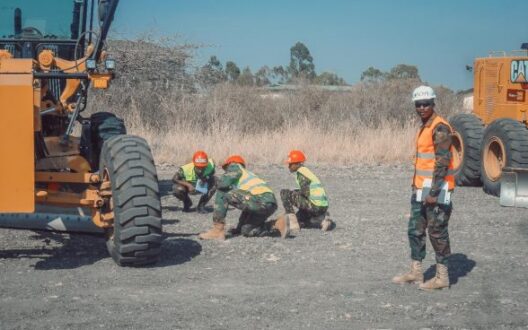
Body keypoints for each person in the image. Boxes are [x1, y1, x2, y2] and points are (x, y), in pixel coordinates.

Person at [392, 86, 455, 290]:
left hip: (435, 191)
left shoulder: (440, 127)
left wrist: (434, 193)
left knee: (437, 232)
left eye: (426, 103)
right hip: (420, 189)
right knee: (415, 231)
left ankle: (442, 277)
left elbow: (442, 163)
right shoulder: (425, 126)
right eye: (418, 104)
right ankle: (416, 272)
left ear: (433, 103)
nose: (422, 107)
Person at [198, 155, 291, 240]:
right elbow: (245, 203)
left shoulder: (235, 166)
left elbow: (223, 184)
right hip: (269, 203)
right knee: (246, 230)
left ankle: (217, 230)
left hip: (260, 200)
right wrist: (239, 228)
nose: (226, 171)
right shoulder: (248, 174)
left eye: (226, 168)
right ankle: (276, 224)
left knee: (223, 192)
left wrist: (211, 181)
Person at [280, 150, 334, 231]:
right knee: (300, 220)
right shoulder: (306, 171)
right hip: (322, 207)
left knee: (285, 193)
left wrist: (293, 193)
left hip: (315, 206)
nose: (289, 166)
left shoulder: (301, 174)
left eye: (291, 164)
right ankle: (323, 220)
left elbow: (305, 193)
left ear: (297, 164)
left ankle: (293, 223)